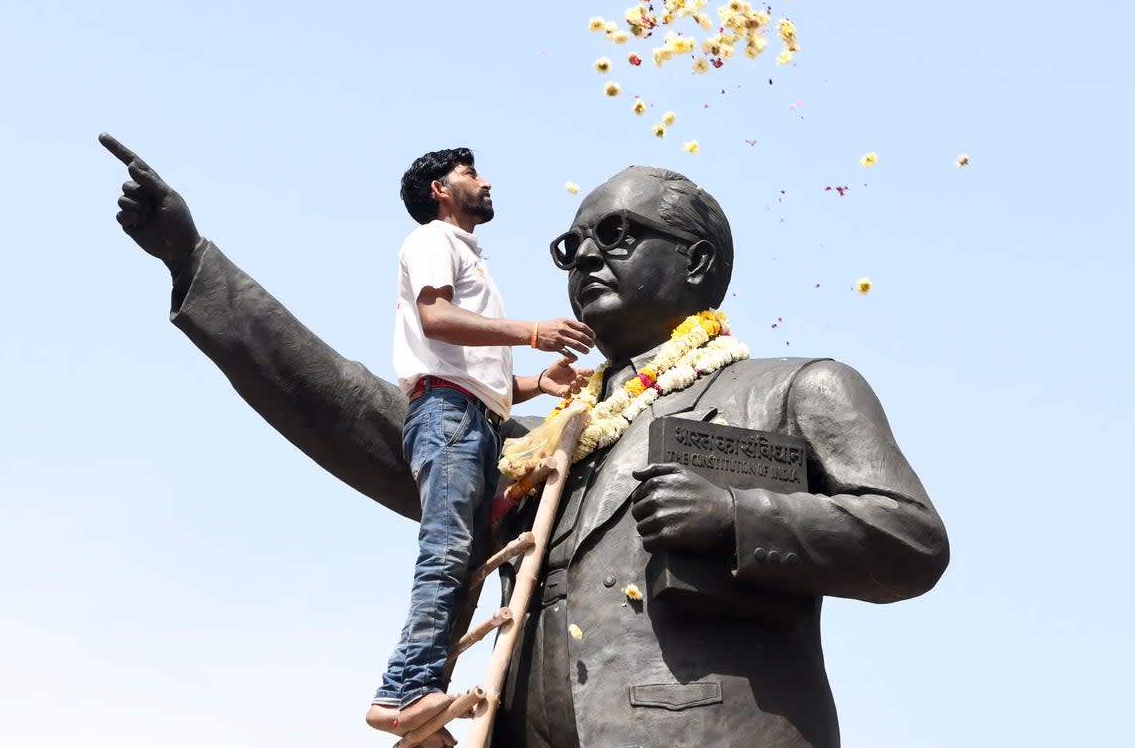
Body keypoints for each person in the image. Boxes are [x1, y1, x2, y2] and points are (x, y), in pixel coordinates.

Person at [101, 133, 949, 748]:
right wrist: (193, 264)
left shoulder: (791, 389)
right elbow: (353, 410)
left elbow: (909, 538)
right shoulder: (548, 441)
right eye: (570, 246)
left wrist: (734, 517)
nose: (585, 258)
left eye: (616, 236)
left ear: (696, 263)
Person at [365, 148, 594, 736]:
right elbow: (435, 320)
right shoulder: (431, 240)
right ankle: (403, 693)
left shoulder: (468, 256)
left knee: (462, 560)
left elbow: (481, 378)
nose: (485, 180)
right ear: (440, 189)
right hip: (448, 415)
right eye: (471, 174)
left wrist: (538, 383)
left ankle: (416, 692)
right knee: (447, 551)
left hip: (470, 415)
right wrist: (533, 333)